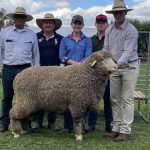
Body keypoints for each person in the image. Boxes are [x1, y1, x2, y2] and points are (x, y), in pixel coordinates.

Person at [103, 0, 139, 141]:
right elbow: (106, 49)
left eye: (120, 12)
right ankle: (116, 128)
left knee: (127, 99)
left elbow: (128, 52)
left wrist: (114, 65)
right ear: (113, 14)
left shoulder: (131, 30)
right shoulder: (109, 29)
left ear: (125, 13)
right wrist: (103, 61)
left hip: (129, 67)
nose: (118, 14)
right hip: (114, 68)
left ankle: (125, 131)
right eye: (115, 12)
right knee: (115, 99)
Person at [0, 7, 40, 132]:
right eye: (17, 17)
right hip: (8, 69)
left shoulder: (31, 34)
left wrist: (36, 71)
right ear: (14, 18)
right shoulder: (4, 32)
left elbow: (36, 54)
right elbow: (0, 50)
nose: (19, 19)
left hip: (26, 69)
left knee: (27, 97)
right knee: (7, 96)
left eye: (22, 17)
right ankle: (3, 123)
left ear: (25, 19)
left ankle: (25, 124)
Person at [59, 14, 92, 133]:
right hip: (67, 72)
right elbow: (62, 56)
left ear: (82, 25)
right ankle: (67, 126)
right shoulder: (65, 39)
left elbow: (89, 56)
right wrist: (75, 64)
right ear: (72, 24)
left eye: (79, 23)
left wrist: (80, 65)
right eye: (75, 23)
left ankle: (82, 126)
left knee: (82, 99)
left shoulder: (87, 40)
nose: (77, 25)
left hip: (83, 73)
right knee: (68, 98)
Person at [34, 13, 63, 131]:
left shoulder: (60, 38)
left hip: (54, 73)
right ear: (42, 24)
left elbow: (62, 56)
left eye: (51, 22)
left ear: (54, 25)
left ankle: (52, 122)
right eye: (46, 22)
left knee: (52, 97)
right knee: (38, 96)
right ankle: (38, 121)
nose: (48, 24)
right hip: (39, 72)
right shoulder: (35, 37)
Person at [86, 14, 113, 133]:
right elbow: (89, 59)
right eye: (99, 22)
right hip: (95, 77)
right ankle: (91, 124)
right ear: (95, 24)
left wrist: (112, 71)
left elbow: (114, 56)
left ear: (107, 24)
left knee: (108, 100)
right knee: (94, 100)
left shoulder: (111, 38)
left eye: (103, 22)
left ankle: (109, 124)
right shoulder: (90, 40)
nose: (101, 24)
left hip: (109, 75)